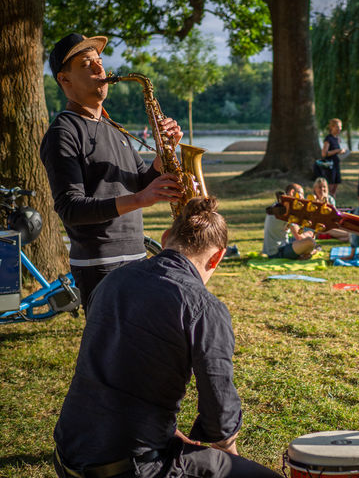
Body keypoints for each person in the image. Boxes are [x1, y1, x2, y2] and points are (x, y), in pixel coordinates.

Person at [52, 197, 281, 478]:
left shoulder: (112, 281)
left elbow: (116, 371)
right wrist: (228, 446)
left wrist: (171, 433)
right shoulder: (203, 307)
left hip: (67, 455)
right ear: (217, 257)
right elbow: (219, 406)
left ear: (164, 239)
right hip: (129, 468)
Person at [40, 33, 183, 310]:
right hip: (99, 265)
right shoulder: (63, 132)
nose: (99, 68)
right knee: (111, 351)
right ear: (64, 80)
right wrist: (142, 199)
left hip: (136, 256)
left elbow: (140, 182)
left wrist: (162, 158)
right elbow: (70, 208)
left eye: (99, 61)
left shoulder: (113, 127)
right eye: (86, 64)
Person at [262, 183, 316, 259]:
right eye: (301, 194)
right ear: (292, 192)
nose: (303, 198)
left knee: (307, 238)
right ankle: (304, 254)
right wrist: (310, 234)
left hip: (274, 249)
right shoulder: (287, 209)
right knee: (311, 242)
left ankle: (304, 254)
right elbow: (299, 237)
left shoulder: (279, 204)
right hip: (277, 252)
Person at [313, 118, 347, 198]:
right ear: (332, 127)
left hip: (336, 164)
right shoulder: (328, 139)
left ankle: (333, 204)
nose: (340, 129)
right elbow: (324, 153)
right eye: (338, 127)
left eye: (341, 127)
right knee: (330, 187)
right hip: (329, 166)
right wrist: (337, 151)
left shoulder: (337, 139)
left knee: (335, 186)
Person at [313, 178, 349, 242]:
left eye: (324, 187)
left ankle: (340, 238)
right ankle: (348, 236)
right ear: (315, 189)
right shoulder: (312, 199)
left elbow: (333, 216)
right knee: (347, 235)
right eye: (319, 187)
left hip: (329, 225)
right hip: (318, 227)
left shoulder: (330, 199)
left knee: (343, 229)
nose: (322, 189)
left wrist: (327, 203)